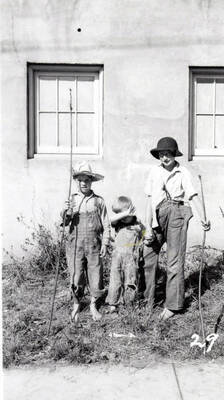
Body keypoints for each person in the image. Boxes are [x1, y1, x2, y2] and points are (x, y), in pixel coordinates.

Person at [142, 137, 211, 320]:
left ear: (174, 154)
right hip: (157, 216)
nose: (164, 157)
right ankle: (147, 300)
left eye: (168, 154)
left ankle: (173, 305)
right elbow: (149, 201)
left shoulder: (183, 172)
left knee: (174, 260)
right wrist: (148, 226)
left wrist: (204, 217)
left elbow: (193, 196)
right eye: (161, 154)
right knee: (148, 255)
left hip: (177, 214)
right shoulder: (154, 172)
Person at [62, 162, 110, 322]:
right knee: (76, 275)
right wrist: (67, 213)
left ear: (91, 181)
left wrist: (105, 243)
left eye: (87, 180)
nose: (84, 183)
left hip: (94, 245)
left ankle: (93, 304)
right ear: (77, 181)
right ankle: (76, 303)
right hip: (75, 245)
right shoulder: (72, 200)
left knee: (95, 274)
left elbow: (106, 223)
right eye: (80, 180)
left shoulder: (99, 201)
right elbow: (65, 222)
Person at [106, 196, 145, 313]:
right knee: (115, 280)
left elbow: (144, 234)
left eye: (123, 213)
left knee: (130, 280)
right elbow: (111, 220)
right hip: (117, 257)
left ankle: (129, 303)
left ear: (131, 210)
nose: (121, 217)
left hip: (131, 257)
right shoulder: (117, 223)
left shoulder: (137, 223)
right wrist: (124, 214)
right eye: (118, 214)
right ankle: (113, 303)